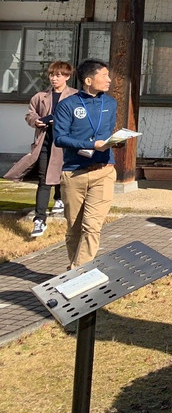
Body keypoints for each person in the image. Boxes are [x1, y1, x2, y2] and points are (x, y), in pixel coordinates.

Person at [53, 59, 125, 268]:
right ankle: (75, 273)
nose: (109, 80)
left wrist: (115, 143)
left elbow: (107, 133)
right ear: (88, 80)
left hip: (103, 171)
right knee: (74, 229)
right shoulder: (68, 105)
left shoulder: (110, 103)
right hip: (74, 173)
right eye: (104, 75)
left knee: (92, 226)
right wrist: (91, 144)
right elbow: (60, 138)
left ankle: (78, 274)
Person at [4, 60, 77, 238]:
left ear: (67, 76)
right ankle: (39, 220)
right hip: (44, 142)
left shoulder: (75, 96)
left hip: (65, 144)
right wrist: (35, 120)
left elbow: (79, 118)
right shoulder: (40, 96)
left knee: (62, 175)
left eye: (58, 75)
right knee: (43, 180)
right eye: (52, 75)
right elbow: (30, 113)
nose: (54, 78)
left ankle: (59, 198)